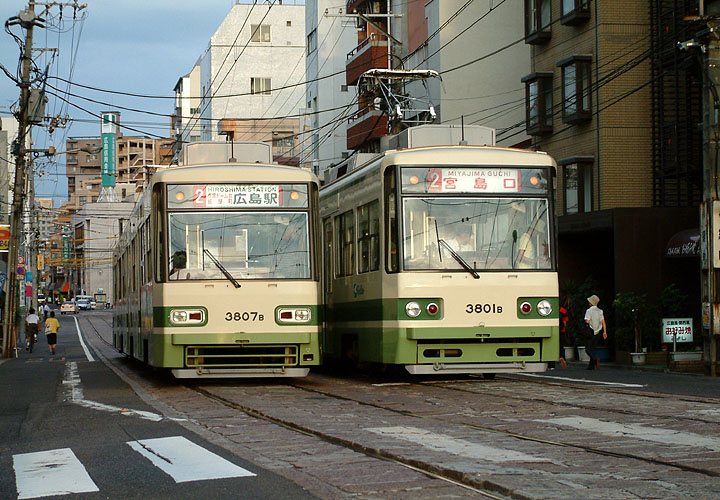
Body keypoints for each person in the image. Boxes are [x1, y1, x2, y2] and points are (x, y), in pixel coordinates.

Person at [584, 294, 607, 370]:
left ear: (591, 303)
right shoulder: (600, 311)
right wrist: (605, 332)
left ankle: (594, 359)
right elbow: (603, 322)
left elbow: (587, 321)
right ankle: (591, 366)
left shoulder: (589, 311)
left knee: (587, 349)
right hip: (598, 332)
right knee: (593, 348)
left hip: (590, 332)